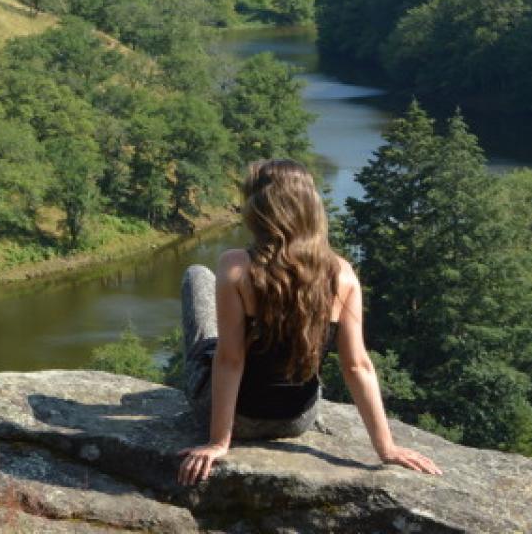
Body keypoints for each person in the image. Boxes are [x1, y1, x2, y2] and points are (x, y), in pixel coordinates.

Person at [176, 159, 442, 485]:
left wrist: (219, 442)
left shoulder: (235, 266)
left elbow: (230, 360)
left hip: (238, 419)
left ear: (260, 211)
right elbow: (357, 366)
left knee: (197, 277)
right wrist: (385, 448)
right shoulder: (342, 274)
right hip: (297, 419)